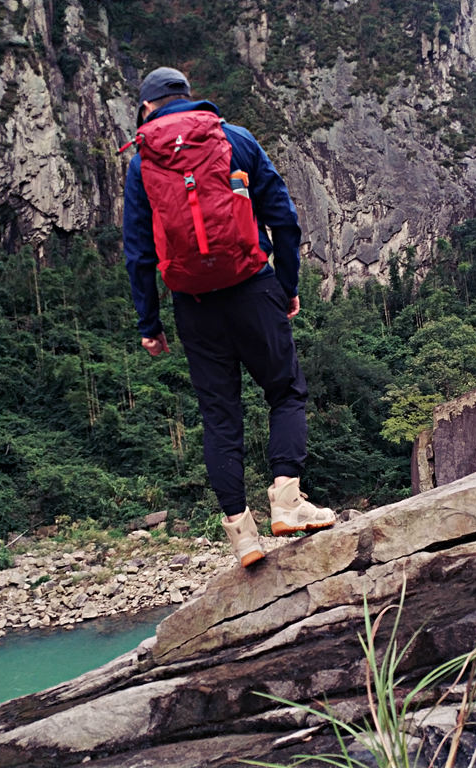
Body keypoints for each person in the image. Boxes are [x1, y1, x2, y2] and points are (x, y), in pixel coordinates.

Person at [122, 66, 335, 567]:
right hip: (252, 286)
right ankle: (286, 501)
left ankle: (243, 537)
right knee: (284, 390)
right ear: (189, 98)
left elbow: (137, 252)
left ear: (148, 108)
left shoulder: (142, 163)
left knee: (220, 416)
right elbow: (283, 217)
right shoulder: (234, 139)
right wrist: (286, 288)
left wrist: (148, 324)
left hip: (194, 303)